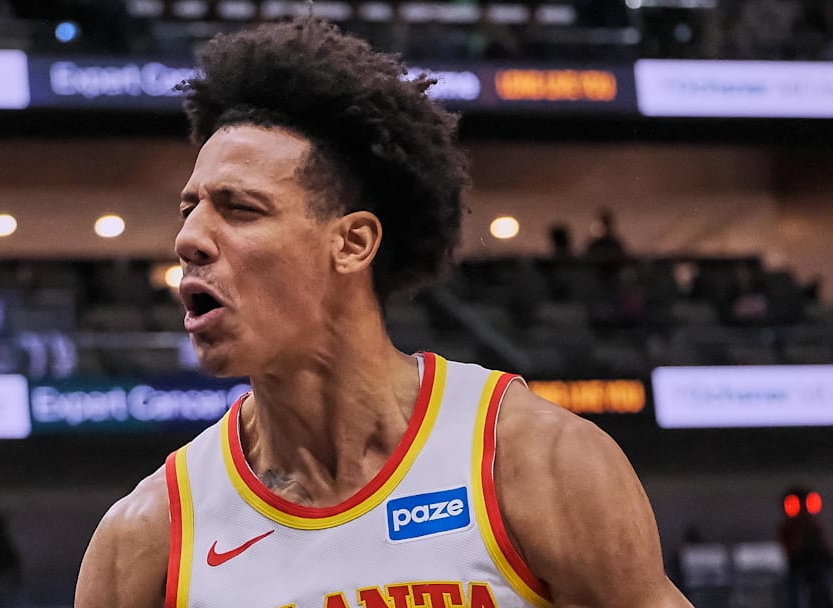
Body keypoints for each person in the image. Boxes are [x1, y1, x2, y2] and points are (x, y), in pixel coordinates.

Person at [76, 18, 690, 608]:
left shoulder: (532, 461)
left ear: (352, 243)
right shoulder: (147, 537)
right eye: (189, 209)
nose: (190, 238)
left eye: (239, 209)